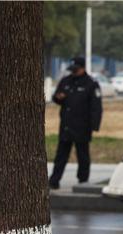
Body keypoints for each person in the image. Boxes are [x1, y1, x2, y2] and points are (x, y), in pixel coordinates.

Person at [48, 57, 103, 189]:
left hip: (82, 126)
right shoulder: (66, 81)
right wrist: (57, 98)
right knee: (61, 155)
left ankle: (83, 181)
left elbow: (96, 107)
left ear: (83, 68)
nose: (73, 72)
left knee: (83, 155)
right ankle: (54, 181)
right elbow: (56, 97)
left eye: (76, 70)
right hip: (66, 125)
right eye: (72, 70)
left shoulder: (91, 84)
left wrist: (94, 126)